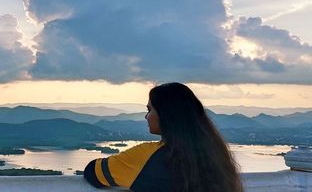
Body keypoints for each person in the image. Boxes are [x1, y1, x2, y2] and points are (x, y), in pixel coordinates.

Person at [83, 82, 243, 191]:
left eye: (149, 110)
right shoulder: (216, 154)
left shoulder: (147, 156)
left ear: (166, 115)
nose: (146, 116)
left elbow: (93, 172)